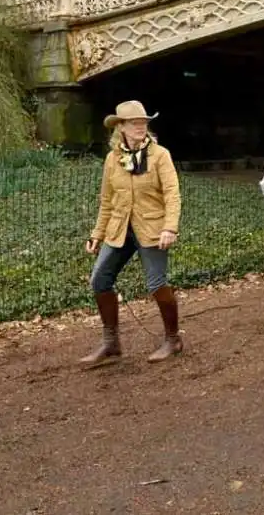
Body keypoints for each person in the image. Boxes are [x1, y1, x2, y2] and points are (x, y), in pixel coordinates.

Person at [81, 100, 183, 367]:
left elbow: (172, 194)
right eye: (134, 123)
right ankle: (111, 342)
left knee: (156, 284)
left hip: (152, 229)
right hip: (119, 228)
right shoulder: (113, 159)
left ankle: (173, 339)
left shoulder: (160, 155)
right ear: (121, 127)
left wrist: (169, 227)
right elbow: (106, 200)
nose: (141, 126)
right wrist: (97, 234)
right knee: (99, 280)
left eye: (144, 122)